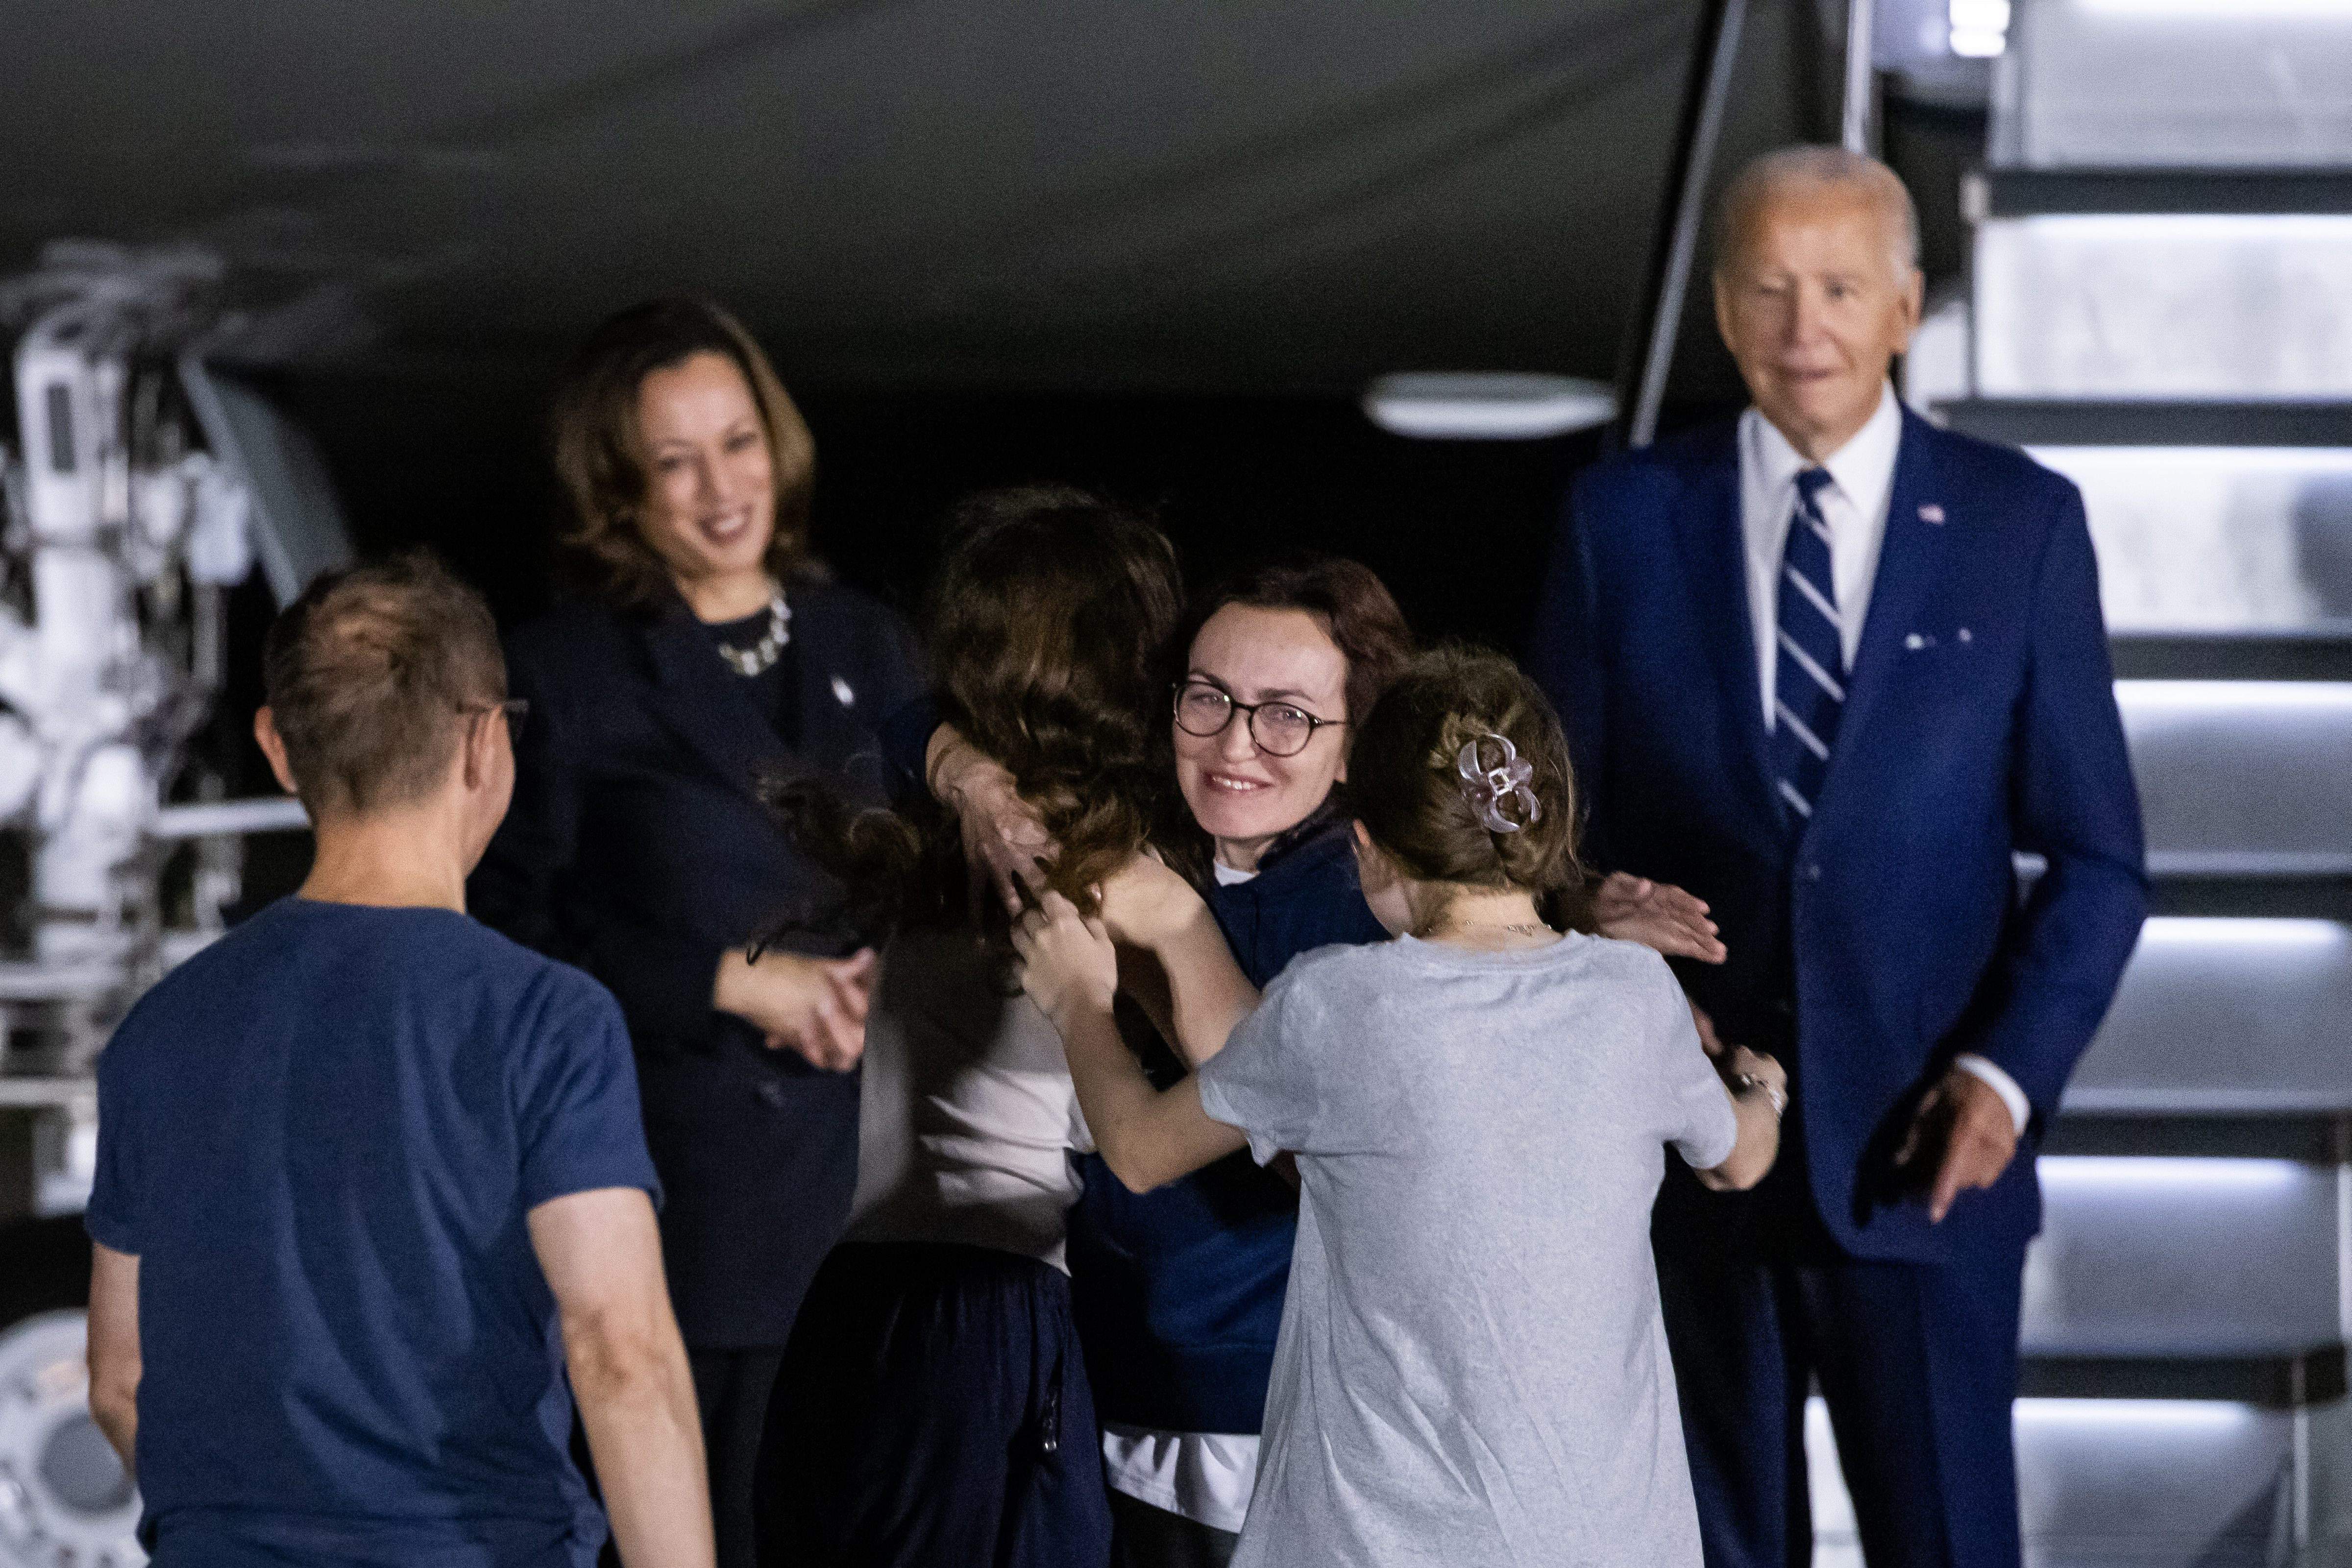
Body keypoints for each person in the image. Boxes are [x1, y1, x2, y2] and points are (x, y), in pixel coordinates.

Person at [1527, 145, 2148, 1568]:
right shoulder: (1619, 519)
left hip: (1928, 1166)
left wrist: (2004, 1074)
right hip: (1683, 1149)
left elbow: (2101, 859)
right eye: (1767, 288)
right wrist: (1589, 927)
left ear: (1905, 308)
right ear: (1726, 311)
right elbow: (1547, 838)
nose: (1804, 326)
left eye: (1840, 288)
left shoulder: (2017, 523)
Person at [1015, 645, 1786, 1567]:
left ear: (1368, 842)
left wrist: (1077, 1002)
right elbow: (1737, 1158)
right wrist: (1761, 1082)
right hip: (1602, 1542)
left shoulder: (1339, 1004)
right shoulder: (1633, 994)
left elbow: (1139, 1148)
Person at [83, 554, 710, 1568]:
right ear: (485, 741)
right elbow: (621, 1351)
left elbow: (119, 1377)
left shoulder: (159, 1033)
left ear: (279, 749)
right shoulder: (546, 1020)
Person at [468, 297, 925, 1568]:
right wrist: (725, 981)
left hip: (873, 1195)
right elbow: (506, 940)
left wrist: (893, 967)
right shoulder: (562, 670)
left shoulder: (865, 643)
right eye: (676, 463)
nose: (723, 491)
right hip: (686, 1212)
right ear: (619, 489)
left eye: (738, 443)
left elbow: (923, 872)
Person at [752, 485, 1178, 1567]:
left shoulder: (929, 825)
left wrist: (967, 773)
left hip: (852, 1308)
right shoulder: (1116, 875)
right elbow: (1259, 1071)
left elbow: (904, 719)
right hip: (991, 1318)